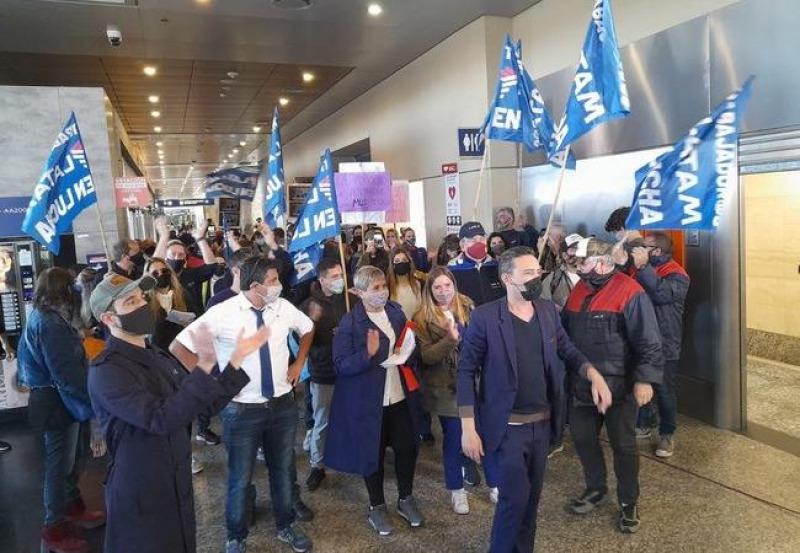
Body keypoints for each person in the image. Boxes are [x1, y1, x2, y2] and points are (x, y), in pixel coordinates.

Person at [88, 273, 259, 553]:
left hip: (174, 480)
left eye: (142, 297)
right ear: (108, 319)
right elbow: (160, 419)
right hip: (140, 489)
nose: (143, 305)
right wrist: (203, 365)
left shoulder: (157, 355)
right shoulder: (107, 371)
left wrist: (236, 362)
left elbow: (199, 406)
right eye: (130, 302)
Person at [458, 247, 610, 552]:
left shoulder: (547, 310)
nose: (535, 277)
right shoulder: (487, 317)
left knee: (531, 502)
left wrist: (593, 373)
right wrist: (468, 426)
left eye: (537, 271)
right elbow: (465, 371)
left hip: (542, 425)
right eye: (527, 273)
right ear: (506, 279)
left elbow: (567, 350)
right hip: (507, 427)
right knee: (514, 501)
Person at [170, 256, 315, 553]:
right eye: (273, 281)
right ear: (255, 286)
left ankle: (285, 525)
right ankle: (236, 536)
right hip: (241, 409)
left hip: (282, 404)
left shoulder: (282, 308)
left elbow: (308, 328)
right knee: (239, 475)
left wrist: (299, 362)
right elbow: (179, 346)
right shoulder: (223, 313)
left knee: (284, 468)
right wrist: (212, 382)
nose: (279, 285)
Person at [562, 238, 663, 534]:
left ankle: (629, 501)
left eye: (584, 261)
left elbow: (649, 341)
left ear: (604, 262)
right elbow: (565, 334)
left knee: (624, 446)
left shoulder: (631, 291)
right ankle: (596, 488)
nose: (578, 266)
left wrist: (645, 379)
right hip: (583, 385)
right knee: (582, 439)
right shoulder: (579, 290)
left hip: (621, 387)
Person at [326, 266, 424, 537]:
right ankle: (376, 505)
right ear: (358, 292)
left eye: (383, 286)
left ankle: (406, 498)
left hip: (399, 394)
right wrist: (367, 356)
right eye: (375, 289)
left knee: (407, 448)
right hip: (368, 401)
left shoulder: (394, 311)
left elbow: (405, 342)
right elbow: (341, 365)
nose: (382, 292)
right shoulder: (350, 322)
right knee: (373, 454)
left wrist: (410, 349)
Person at [17, 267, 106, 553]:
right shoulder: (50, 323)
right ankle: (53, 526)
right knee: (59, 466)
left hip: (56, 401)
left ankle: (71, 507)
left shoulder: (45, 316)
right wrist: (95, 404)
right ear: (64, 290)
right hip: (56, 404)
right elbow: (66, 375)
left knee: (71, 460)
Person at [414, 266, 484, 514]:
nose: (443, 291)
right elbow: (426, 356)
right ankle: (456, 491)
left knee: (482, 432)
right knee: (454, 439)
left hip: (475, 382)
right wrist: (449, 340)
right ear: (429, 290)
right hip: (446, 387)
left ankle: (486, 477)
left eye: (447, 285)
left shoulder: (467, 305)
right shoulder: (422, 317)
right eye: (437, 287)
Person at [299, 258, 357, 491]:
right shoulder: (310, 305)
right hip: (324, 371)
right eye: (334, 276)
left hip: (351, 370)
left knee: (351, 416)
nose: (340, 280)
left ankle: (349, 454)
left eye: (341, 274)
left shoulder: (350, 299)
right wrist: (324, 331)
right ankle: (317, 465)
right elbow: (301, 342)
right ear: (321, 280)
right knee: (322, 421)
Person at [630, 232, 690, 457]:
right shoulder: (642, 268)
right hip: (643, 339)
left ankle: (667, 433)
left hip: (665, 341)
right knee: (641, 381)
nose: (640, 249)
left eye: (644, 246)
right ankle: (645, 421)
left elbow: (662, 294)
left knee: (664, 390)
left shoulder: (678, 275)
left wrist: (643, 267)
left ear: (655, 251)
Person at [154, 217, 221, 317]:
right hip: (167, 326)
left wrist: (200, 239)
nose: (177, 258)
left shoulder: (192, 274)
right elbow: (153, 265)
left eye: (181, 255)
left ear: (185, 258)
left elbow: (211, 266)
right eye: (173, 254)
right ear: (166, 257)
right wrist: (164, 237)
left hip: (194, 323)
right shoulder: (161, 276)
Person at [448, 222, 505, 308]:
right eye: (473, 240)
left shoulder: (499, 267)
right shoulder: (451, 271)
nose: (478, 243)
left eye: (482, 239)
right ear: (462, 245)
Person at [541, 233, 583, 310]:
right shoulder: (553, 280)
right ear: (565, 255)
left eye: (582, 248)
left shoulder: (593, 276)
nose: (580, 253)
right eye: (574, 249)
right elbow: (543, 304)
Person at [388, 246, 424, 320]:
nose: (401, 263)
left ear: (409, 263)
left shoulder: (419, 284)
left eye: (404, 260)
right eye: (397, 261)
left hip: (417, 327)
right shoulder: (388, 287)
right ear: (393, 266)